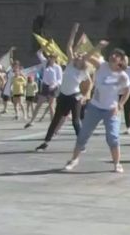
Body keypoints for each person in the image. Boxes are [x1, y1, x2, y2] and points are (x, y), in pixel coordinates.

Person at [64, 44, 130, 174]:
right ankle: (74, 160)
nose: (113, 56)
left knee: (113, 137)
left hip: (111, 110)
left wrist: (120, 104)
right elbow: (87, 57)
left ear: (121, 60)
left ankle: (117, 163)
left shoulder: (122, 76)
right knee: (83, 134)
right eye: (112, 54)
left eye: (117, 55)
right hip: (95, 107)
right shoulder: (102, 65)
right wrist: (98, 46)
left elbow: (127, 90)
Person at [35, 24, 94, 152]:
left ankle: (81, 144)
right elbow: (69, 46)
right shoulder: (70, 64)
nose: (77, 56)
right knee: (55, 120)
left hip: (74, 97)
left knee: (75, 121)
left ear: (83, 60)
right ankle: (45, 142)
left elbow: (90, 83)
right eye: (77, 55)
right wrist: (73, 31)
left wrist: (85, 96)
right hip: (63, 96)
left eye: (80, 56)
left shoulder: (83, 72)